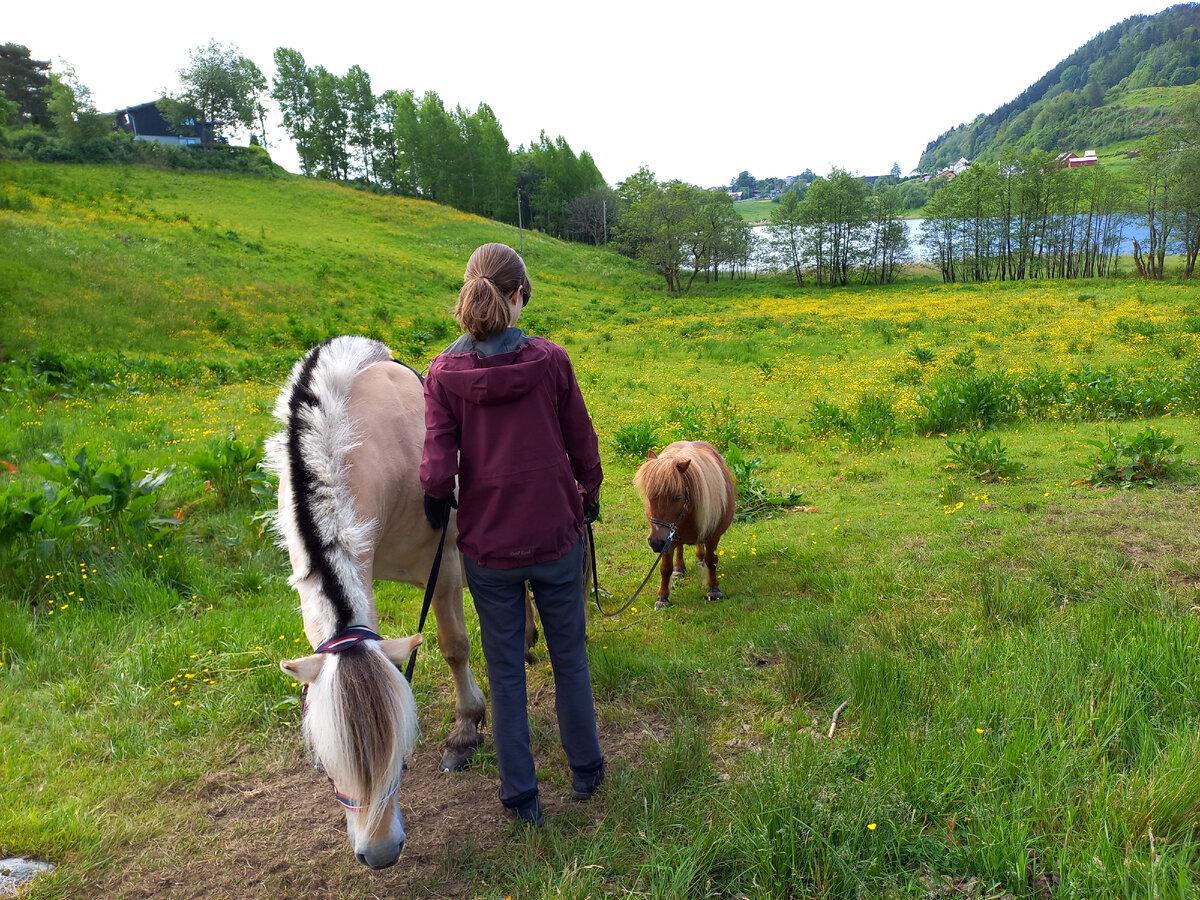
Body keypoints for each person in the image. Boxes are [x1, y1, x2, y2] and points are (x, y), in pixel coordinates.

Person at [419, 242, 605, 827]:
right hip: (555, 534)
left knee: (504, 670)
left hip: (489, 549)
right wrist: (589, 498)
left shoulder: (443, 374)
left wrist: (433, 507)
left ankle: (521, 796)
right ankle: (586, 771)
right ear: (519, 295)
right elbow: (584, 446)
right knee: (569, 657)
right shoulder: (551, 361)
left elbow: (434, 471)